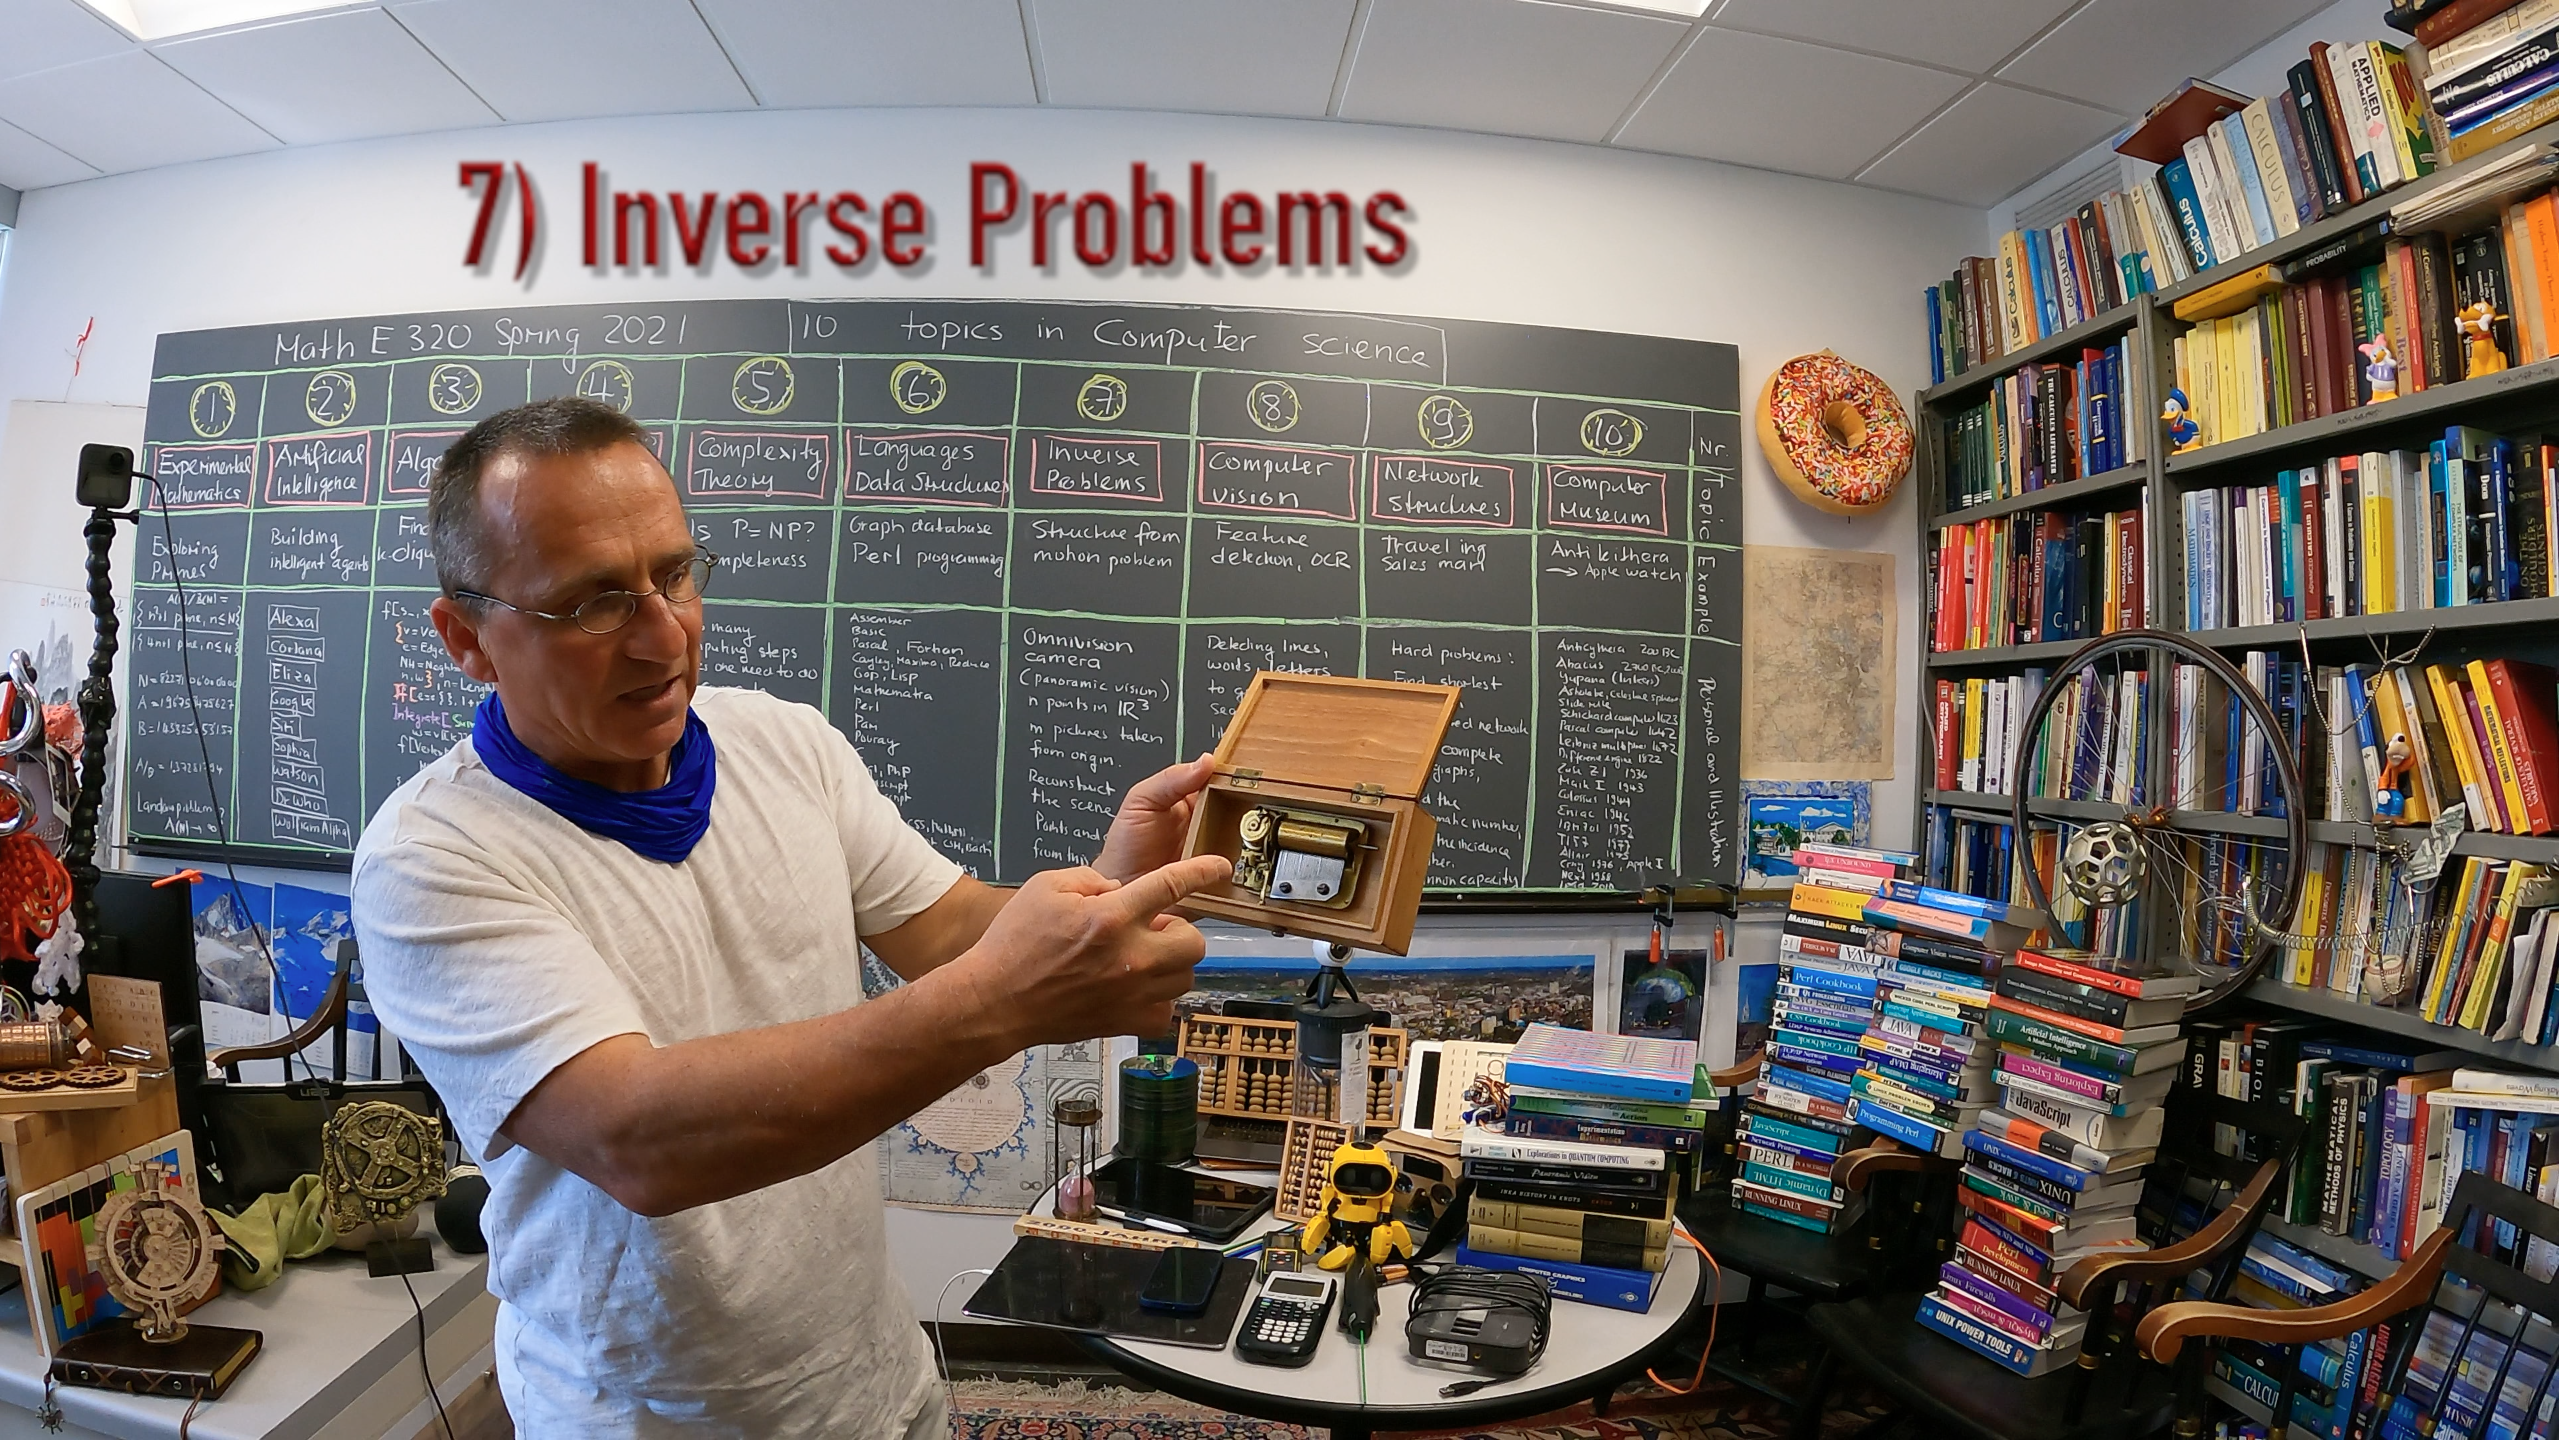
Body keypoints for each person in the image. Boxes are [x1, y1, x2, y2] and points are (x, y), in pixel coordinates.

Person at [351, 396, 1233, 1438]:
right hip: (652, 1419)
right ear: (468, 638)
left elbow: (948, 930)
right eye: (593, 604)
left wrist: (1105, 897)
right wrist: (1002, 1000)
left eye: (675, 575)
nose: (664, 635)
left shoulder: (780, 742)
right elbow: (640, 1141)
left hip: (875, 1383)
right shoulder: (433, 857)